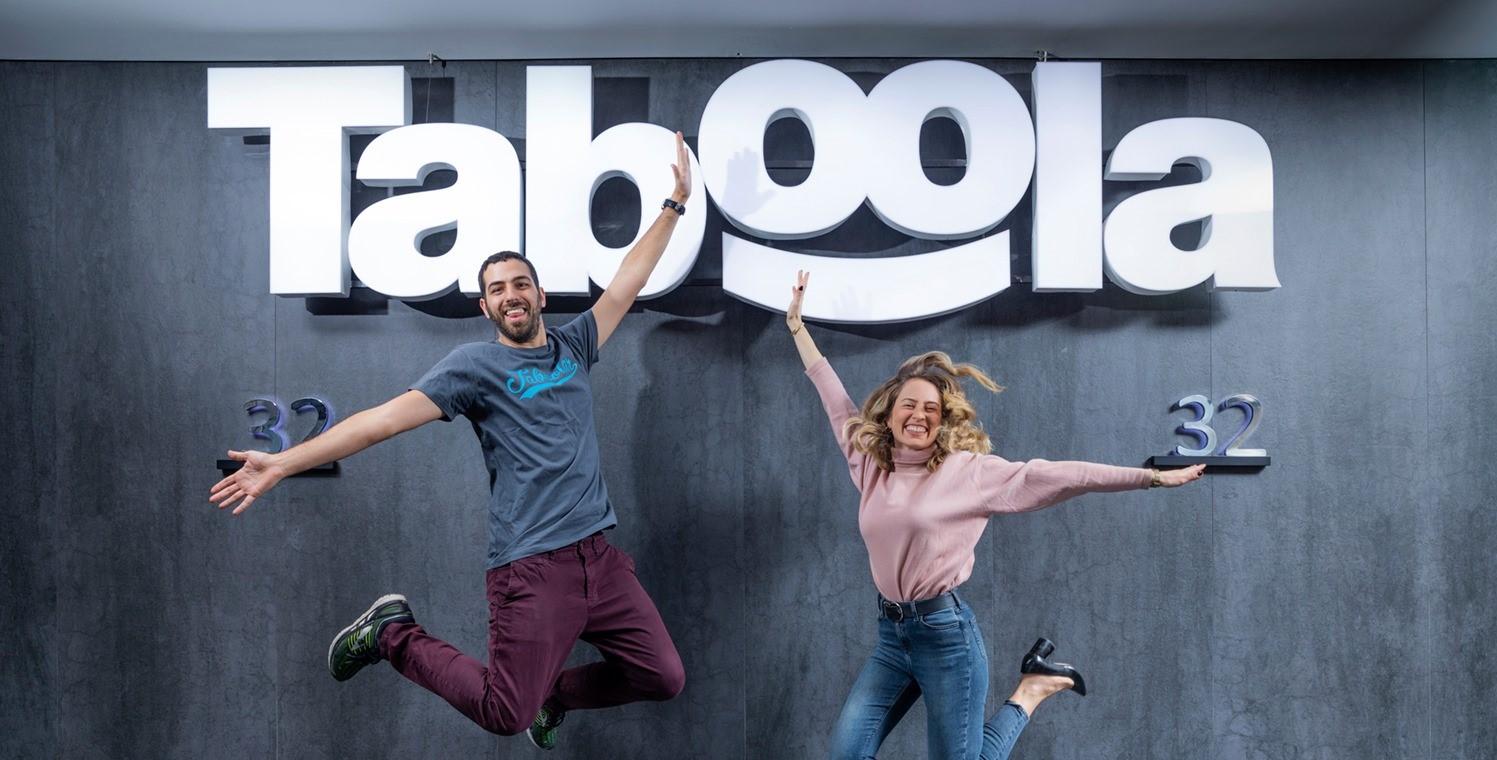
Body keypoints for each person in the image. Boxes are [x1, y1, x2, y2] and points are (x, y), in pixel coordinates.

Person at [209, 133, 697, 751]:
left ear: (540, 295)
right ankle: (391, 634)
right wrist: (281, 462)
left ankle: (557, 695)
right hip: (532, 565)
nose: (511, 295)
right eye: (497, 289)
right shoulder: (472, 368)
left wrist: (674, 205)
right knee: (502, 713)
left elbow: (626, 281)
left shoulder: (573, 347)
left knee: (663, 675)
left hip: (598, 560)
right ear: (486, 306)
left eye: (520, 284)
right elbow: (380, 421)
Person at [784, 271, 1205, 760]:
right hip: (891, 636)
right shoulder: (871, 465)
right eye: (908, 405)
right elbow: (835, 401)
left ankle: (1027, 694)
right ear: (888, 412)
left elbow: (1060, 475)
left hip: (946, 640)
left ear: (943, 420)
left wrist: (1149, 477)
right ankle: (1034, 683)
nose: (918, 416)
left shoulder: (968, 473)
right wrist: (797, 326)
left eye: (931, 409)